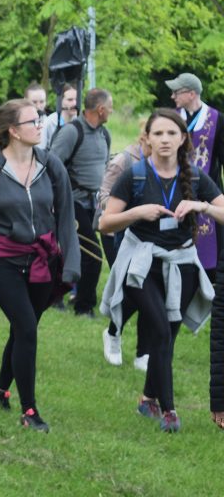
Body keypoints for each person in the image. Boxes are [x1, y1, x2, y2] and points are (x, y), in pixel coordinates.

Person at [0, 99, 80, 433]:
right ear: (13, 130)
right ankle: (29, 410)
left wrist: (71, 262)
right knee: (26, 328)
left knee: (24, 330)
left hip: (42, 260)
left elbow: (66, 216)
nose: (40, 125)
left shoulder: (51, 164)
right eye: (32, 121)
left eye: (39, 119)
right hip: (2, 261)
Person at [99, 108, 223, 433]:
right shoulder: (135, 175)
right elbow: (105, 223)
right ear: (147, 139)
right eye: (158, 134)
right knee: (161, 331)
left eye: (171, 133)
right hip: (141, 264)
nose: (165, 139)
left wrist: (202, 206)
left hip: (182, 265)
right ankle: (169, 411)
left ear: (183, 139)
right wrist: (136, 212)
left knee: (167, 336)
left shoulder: (195, 177)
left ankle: (147, 399)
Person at [49, 88, 114, 317]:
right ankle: (84, 307)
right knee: (92, 255)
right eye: (110, 107)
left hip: (92, 205)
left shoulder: (104, 134)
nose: (112, 111)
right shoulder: (72, 132)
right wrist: (55, 201)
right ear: (101, 109)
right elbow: (52, 165)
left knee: (70, 253)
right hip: (71, 202)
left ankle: (56, 295)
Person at [97, 125, 151, 369]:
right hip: (117, 235)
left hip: (148, 238)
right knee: (131, 290)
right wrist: (131, 211)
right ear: (146, 136)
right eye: (157, 134)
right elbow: (103, 196)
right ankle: (113, 333)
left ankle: (143, 352)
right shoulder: (124, 161)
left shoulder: (166, 166)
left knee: (149, 290)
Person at [166, 72, 224, 280]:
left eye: (176, 92)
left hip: (208, 192)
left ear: (191, 94)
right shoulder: (171, 118)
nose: (172, 96)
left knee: (211, 246)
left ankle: (210, 284)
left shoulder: (217, 119)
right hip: (176, 189)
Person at [42, 82, 78, 150]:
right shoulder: (49, 123)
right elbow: (40, 150)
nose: (74, 103)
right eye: (70, 100)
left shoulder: (81, 121)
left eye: (76, 99)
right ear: (60, 101)